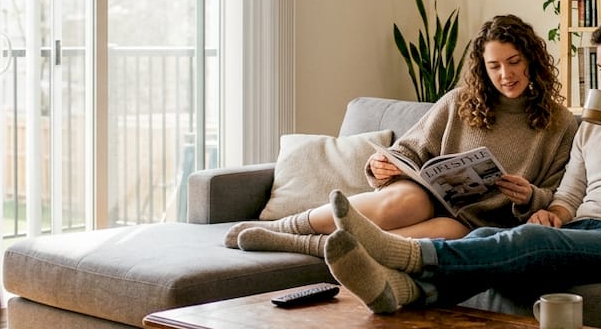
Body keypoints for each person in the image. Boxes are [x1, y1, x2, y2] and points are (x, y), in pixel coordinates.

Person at [322, 12, 601, 313]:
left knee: (531, 242)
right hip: (588, 228)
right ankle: (406, 292)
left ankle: (408, 254)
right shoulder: (595, 123)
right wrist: (553, 212)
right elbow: (572, 192)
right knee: (481, 238)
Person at [225, 14, 579, 258]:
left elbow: (557, 193)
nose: (506, 74)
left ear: (531, 60)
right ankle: (282, 228)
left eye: (514, 61)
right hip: (426, 194)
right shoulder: (459, 101)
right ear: (483, 70)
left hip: (473, 221)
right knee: (406, 203)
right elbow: (407, 150)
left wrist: (530, 195)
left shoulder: (559, 123)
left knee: (444, 236)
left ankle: (309, 247)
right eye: (494, 66)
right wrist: (384, 164)